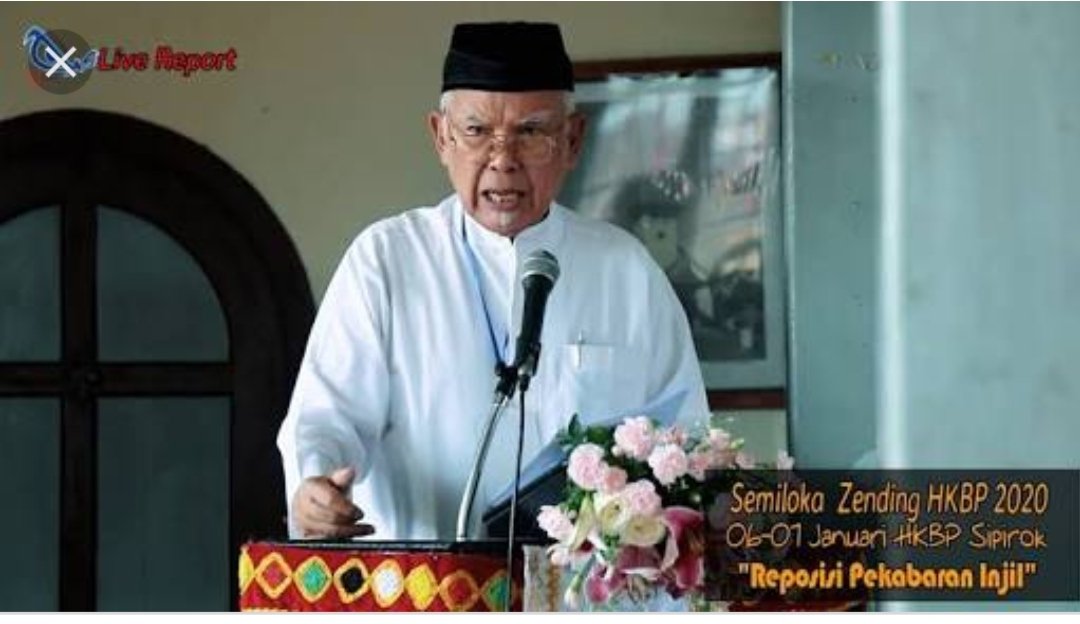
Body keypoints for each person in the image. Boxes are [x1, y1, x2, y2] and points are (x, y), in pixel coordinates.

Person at [277, 21, 710, 541]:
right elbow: (326, 416)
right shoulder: (387, 260)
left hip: (582, 584)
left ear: (573, 140)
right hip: (425, 580)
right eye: (477, 131)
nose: (502, 160)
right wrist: (316, 485)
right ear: (441, 137)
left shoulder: (627, 271)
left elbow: (684, 436)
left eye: (530, 133)